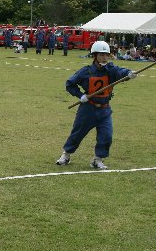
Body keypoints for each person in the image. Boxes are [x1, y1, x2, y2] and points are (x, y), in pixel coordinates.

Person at [55, 41, 136, 170]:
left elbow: (120, 72)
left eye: (107, 55)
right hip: (88, 109)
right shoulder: (86, 71)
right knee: (77, 133)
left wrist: (128, 74)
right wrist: (81, 95)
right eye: (101, 55)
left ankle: (97, 160)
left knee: (106, 136)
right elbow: (70, 84)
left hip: (104, 110)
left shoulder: (111, 69)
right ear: (95, 55)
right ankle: (66, 154)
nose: (105, 58)